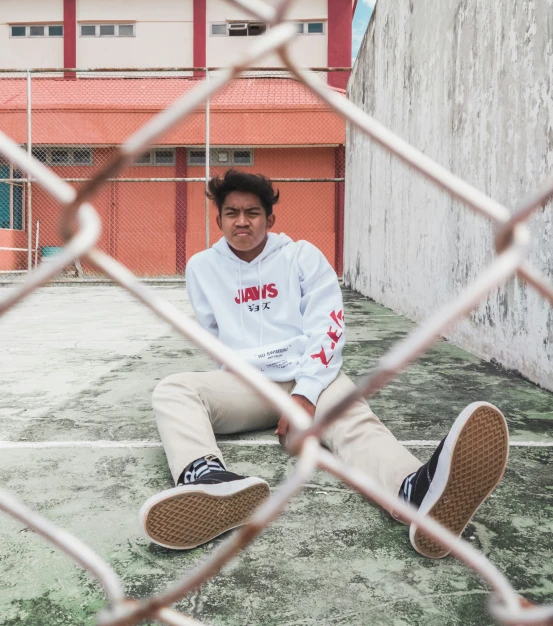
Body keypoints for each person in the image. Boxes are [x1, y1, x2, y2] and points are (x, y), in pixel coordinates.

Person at [140, 170, 509, 558]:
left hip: (310, 374)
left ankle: (413, 492)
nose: (242, 221)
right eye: (232, 212)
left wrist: (305, 395)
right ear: (219, 220)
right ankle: (208, 480)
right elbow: (214, 336)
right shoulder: (202, 267)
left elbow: (328, 328)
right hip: (248, 385)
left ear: (270, 219)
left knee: (355, 423)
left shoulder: (301, 256)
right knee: (174, 389)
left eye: (252, 212)